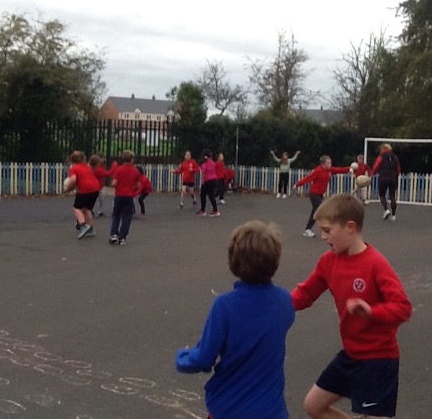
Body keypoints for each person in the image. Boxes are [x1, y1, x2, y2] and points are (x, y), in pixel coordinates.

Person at [291, 194, 412, 419]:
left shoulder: (375, 263)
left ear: (350, 227)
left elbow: (403, 307)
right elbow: (305, 294)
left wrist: (371, 312)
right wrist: (275, 305)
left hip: (378, 359)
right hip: (351, 355)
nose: (323, 236)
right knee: (313, 406)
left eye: (327, 230)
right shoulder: (328, 261)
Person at [176, 220, 295, 419]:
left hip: (230, 406)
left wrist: (182, 356)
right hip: (271, 409)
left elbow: (204, 358)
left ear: (234, 261)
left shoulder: (225, 306)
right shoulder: (283, 300)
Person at [294, 155, 351, 238]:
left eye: (330, 163)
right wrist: (297, 184)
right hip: (314, 194)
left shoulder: (330, 170)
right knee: (322, 211)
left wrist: (349, 169)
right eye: (328, 163)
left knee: (315, 212)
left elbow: (339, 170)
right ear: (323, 164)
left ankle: (308, 229)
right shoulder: (318, 171)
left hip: (320, 194)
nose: (330, 165)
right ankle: (327, 229)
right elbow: (308, 178)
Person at [109, 150, 141, 246]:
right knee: (127, 217)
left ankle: (113, 234)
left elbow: (114, 183)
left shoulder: (119, 169)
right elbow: (138, 185)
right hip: (129, 196)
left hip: (119, 195)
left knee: (116, 215)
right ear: (132, 159)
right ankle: (122, 237)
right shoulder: (135, 171)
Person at [67, 151, 100, 239]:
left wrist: (68, 189)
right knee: (86, 209)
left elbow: (73, 180)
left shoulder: (74, 168)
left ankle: (82, 225)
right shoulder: (87, 166)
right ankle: (90, 228)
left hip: (85, 189)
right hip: (95, 188)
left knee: (76, 208)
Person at [371, 144, 401, 221]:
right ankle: (393, 215)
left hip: (383, 178)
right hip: (393, 178)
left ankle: (386, 209)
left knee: (382, 195)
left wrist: (372, 174)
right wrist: (396, 175)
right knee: (392, 196)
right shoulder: (394, 157)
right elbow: (398, 168)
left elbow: (376, 166)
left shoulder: (381, 157)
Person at [89, 152, 114, 217]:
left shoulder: (101, 166)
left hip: (99, 184)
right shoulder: (97, 168)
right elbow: (106, 173)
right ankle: (93, 210)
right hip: (97, 185)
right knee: (96, 198)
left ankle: (98, 210)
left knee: (100, 199)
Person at [197, 149, 220, 217]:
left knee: (203, 195)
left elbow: (203, 171)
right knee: (211, 195)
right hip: (214, 180)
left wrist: (202, 180)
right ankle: (215, 210)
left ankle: (203, 210)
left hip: (207, 180)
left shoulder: (204, 163)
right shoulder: (213, 163)